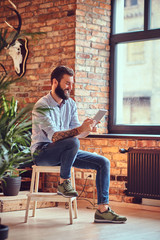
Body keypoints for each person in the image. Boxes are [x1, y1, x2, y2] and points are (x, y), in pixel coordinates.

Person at [31, 65, 127, 223]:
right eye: (67, 83)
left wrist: (87, 129)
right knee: (72, 141)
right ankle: (64, 183)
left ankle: (103, 210)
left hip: (66, 151)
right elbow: (55, 137)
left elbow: (76, 134)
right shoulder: (42, 106)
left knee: (103, 162)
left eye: (72, 83)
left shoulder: (70, 104)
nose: (70, 87)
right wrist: (78, 130)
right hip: (43, 152)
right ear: (55, 82)